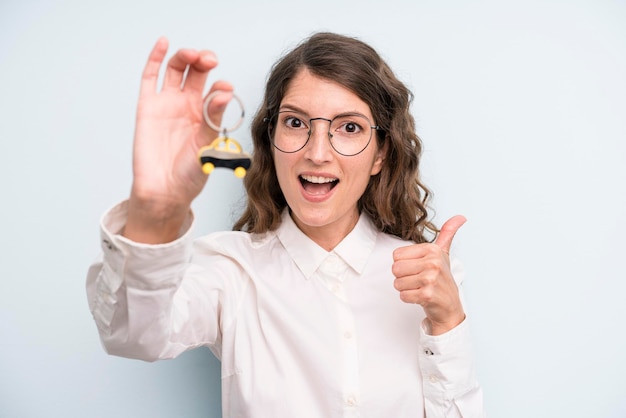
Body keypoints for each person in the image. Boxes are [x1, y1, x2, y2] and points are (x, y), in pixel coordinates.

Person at [87, 32, 485, 417]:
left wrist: (448, 323)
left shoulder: (430, 280)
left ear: (380, 154)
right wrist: (155, 211)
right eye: (295, 123)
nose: (317, 153)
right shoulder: (230, 270)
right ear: (270, 138)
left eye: (349, 128)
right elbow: (133, 334)